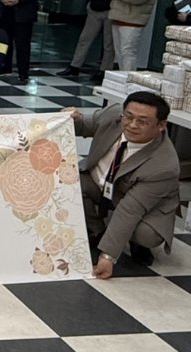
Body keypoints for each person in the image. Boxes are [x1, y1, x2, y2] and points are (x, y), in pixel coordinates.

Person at [72, 92, 180, 278]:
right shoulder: (113, 114)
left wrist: (107, 256)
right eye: (128, 117)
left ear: (161, 125)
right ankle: (97, 230)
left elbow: (131, 209)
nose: (132, 125)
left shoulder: (164, 165)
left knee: (146, 234)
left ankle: (134, 242)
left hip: (142, 204)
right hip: (99, 183)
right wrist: (71, 118)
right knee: (69, 183)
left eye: (142, 121)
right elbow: (84, 124)